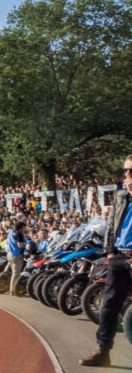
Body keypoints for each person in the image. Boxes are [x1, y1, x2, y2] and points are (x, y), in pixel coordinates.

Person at [80, 154, 132, 367]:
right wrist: (110, 252)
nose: (127, 175)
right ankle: (102, 351)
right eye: (126, 170)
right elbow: (111, 225)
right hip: (119, 256)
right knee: (108, 305)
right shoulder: (121, 196)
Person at [7, 221, 27, 295]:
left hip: (9, 254)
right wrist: (26, 244)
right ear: (21, 228)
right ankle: (13, 291)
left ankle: (12, 289)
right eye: (24, 227)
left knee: (14, 273)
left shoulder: (10, 231)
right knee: (16, 274)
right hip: (17, 255)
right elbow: (20, 245)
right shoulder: (19, 234)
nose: (25, 229)